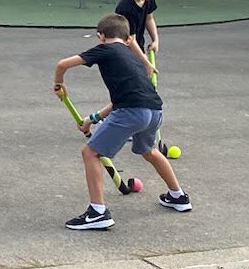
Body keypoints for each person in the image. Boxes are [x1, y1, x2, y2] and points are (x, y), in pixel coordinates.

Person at [52, 15, 190, 231]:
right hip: (154, 111)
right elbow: (122, 100)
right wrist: (92, 119)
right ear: (127, 40)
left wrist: (59, 84)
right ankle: (178, 196)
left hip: (132, 111)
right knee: (150, 151)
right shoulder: (132, 57)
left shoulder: (104, 49)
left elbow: (63, 64)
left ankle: (97, 212)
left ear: (100, 36)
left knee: (90, 154)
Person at [116, 0, 161, 64]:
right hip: (123, 51)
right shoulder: (126, 8)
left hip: (137, 46)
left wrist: (155, 40)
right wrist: (144, 61)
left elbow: (149, 18)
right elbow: (131, 39)